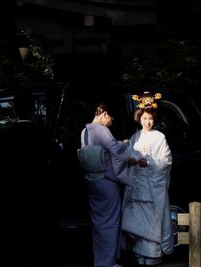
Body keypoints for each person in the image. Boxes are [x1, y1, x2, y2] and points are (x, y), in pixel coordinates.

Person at [0, 91, 60, 266]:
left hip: (12, 199)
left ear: (14, 110)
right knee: (38, 246)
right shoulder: (43, 134)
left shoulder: (3, 137)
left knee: (15, 246)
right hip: (38, 197)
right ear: (33, 110)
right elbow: (58, 160)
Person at [121, 91, 174, 265]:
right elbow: (129, 156)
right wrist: (130, 159)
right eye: (144, 118)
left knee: (152, 223)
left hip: (152, 190)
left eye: (150, 118)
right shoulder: (135, 137)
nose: (147, 122)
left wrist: (149, 162)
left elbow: (166, 160)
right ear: (139, 118)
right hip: (137, 189)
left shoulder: (160, 137)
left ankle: (152, 255)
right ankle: (139, 254)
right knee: (137, 223)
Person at [81, 102, 130, 267]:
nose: (111, 123)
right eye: (111, 119)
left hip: (92, 181)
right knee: (111, 222)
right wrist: (125, 144)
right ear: (104, 114)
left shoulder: (84, 132)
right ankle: (108, 262)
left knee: (98, 224)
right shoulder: (102, 130)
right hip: (106, 182)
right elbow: (117, 152)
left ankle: (101, 261)